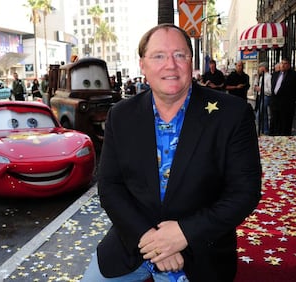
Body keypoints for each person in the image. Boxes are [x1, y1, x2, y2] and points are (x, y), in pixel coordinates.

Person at [81, 23, 262, 282]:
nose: (170, 65)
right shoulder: (121, 116)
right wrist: (149, 240)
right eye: (158, 56)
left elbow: (245, 192)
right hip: (133, 243)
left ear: (191, 62)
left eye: (180, 55)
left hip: (200, 249)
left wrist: (183, 234)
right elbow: (110, 186)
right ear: (142, 65)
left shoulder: (233, 114)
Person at [270, 58, 296, 135]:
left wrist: (294, 100)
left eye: (285, 64)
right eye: (282, 63)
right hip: (275, 104)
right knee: (275, 124)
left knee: (285, 126)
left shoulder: (295, 75)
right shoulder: (275, 74)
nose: (283, 65)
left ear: (289, 65)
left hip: (287, 104)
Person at [254, 62, 272, 135]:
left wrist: (260, 89)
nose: (259, 69)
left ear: (263, 68)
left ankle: (263, 129)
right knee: (264, 114)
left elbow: (270, 90)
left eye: (260, 67)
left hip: (266, 96)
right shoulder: (262, 77)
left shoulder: (269, 77)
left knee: (259, 114)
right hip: (261, 96)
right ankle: (265, 130)